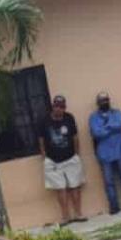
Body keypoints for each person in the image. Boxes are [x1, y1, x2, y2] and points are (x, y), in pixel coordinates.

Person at [39, 95, 86, 224]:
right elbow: (41, 139)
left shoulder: (69, 118)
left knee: (75, 186)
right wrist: (44, 155)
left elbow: (75, 137)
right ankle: (65, 217)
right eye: (57, 106)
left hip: (71, 157)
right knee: (60, 189)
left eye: (62, 107)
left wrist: (77, 154)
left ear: (64, 108)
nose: (59, 109)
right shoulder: (44, 121)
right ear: (53, 107)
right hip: (53, 160)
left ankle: (78, 214)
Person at [88, 91, 121, 215]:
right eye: (102, 101)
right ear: (98, 103)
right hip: (104, 154)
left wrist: (105, 127)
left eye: (106, 100)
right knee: (109, 182)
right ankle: (114, 207)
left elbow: (119, 125)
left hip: (120, 151)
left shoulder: (117, 113)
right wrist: (111, 127)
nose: (104, 102)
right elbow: (96, 133)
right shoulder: (93, 117)